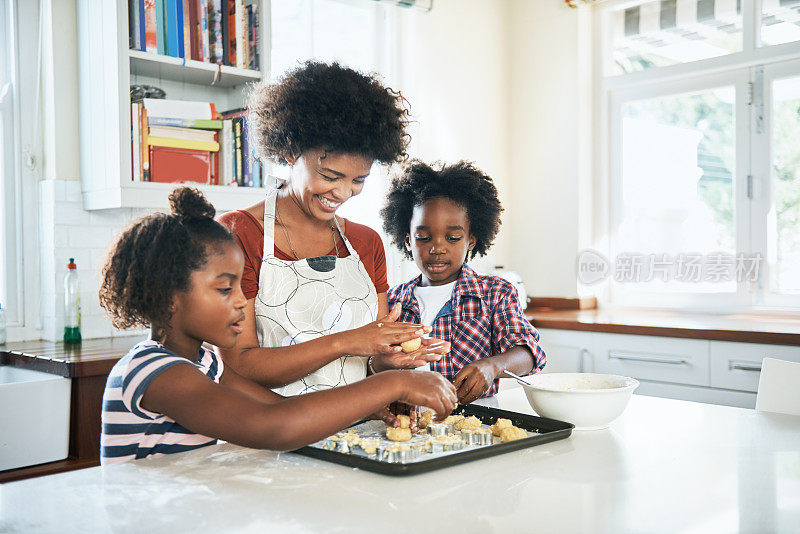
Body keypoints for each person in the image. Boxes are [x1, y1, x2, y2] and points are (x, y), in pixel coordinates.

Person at [97, 188, 457, 464]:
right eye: (225, 289)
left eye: (240, 285)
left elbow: (284, 407)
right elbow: (275, 424)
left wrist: (367, 408)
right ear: (168, 296)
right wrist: (394, 382)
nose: (241, 300)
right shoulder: (155, 372)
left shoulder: (206, 363)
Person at [218, 61, 448, 399]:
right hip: (269, 431)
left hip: (356, 429)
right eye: (330, 176)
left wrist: (391, 359)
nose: (342, 193)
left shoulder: (365, 243)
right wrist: (348, 342)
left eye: (358, 181)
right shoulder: (238, 234)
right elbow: (240, 364)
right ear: (291, 151)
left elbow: (368, 365)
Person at [380, 161, 547, 405]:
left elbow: (530, 353)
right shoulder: (393, 300)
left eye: (453, 237)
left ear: (470, 241)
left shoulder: (495, 293)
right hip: (407, 424)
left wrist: (492, 366)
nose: (437, 248)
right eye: (423, 238)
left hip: (476, 423)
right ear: (407, 241)